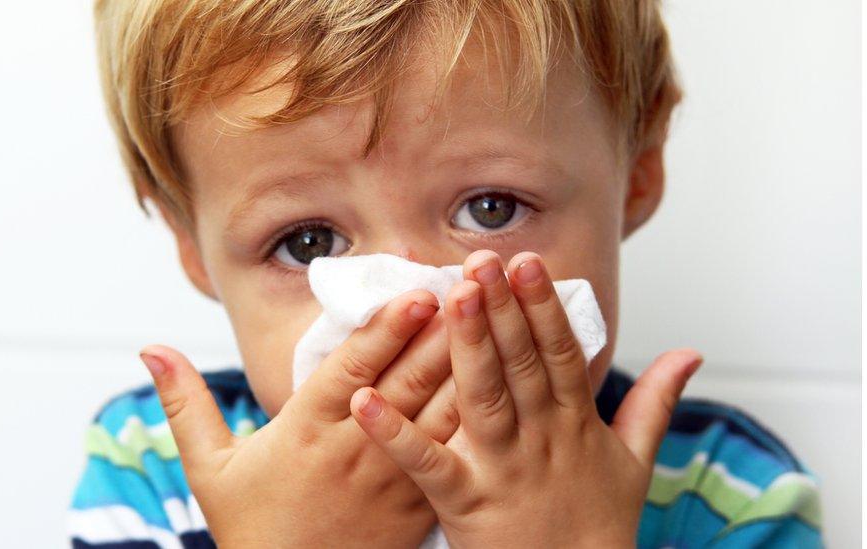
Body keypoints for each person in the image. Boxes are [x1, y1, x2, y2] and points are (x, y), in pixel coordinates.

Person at [69, 1, 822, 546]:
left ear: (638, 170)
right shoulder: (153, 477)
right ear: (193, 246)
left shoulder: (729, 495)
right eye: (307, 243)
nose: (413, 304)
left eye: (491, 209)